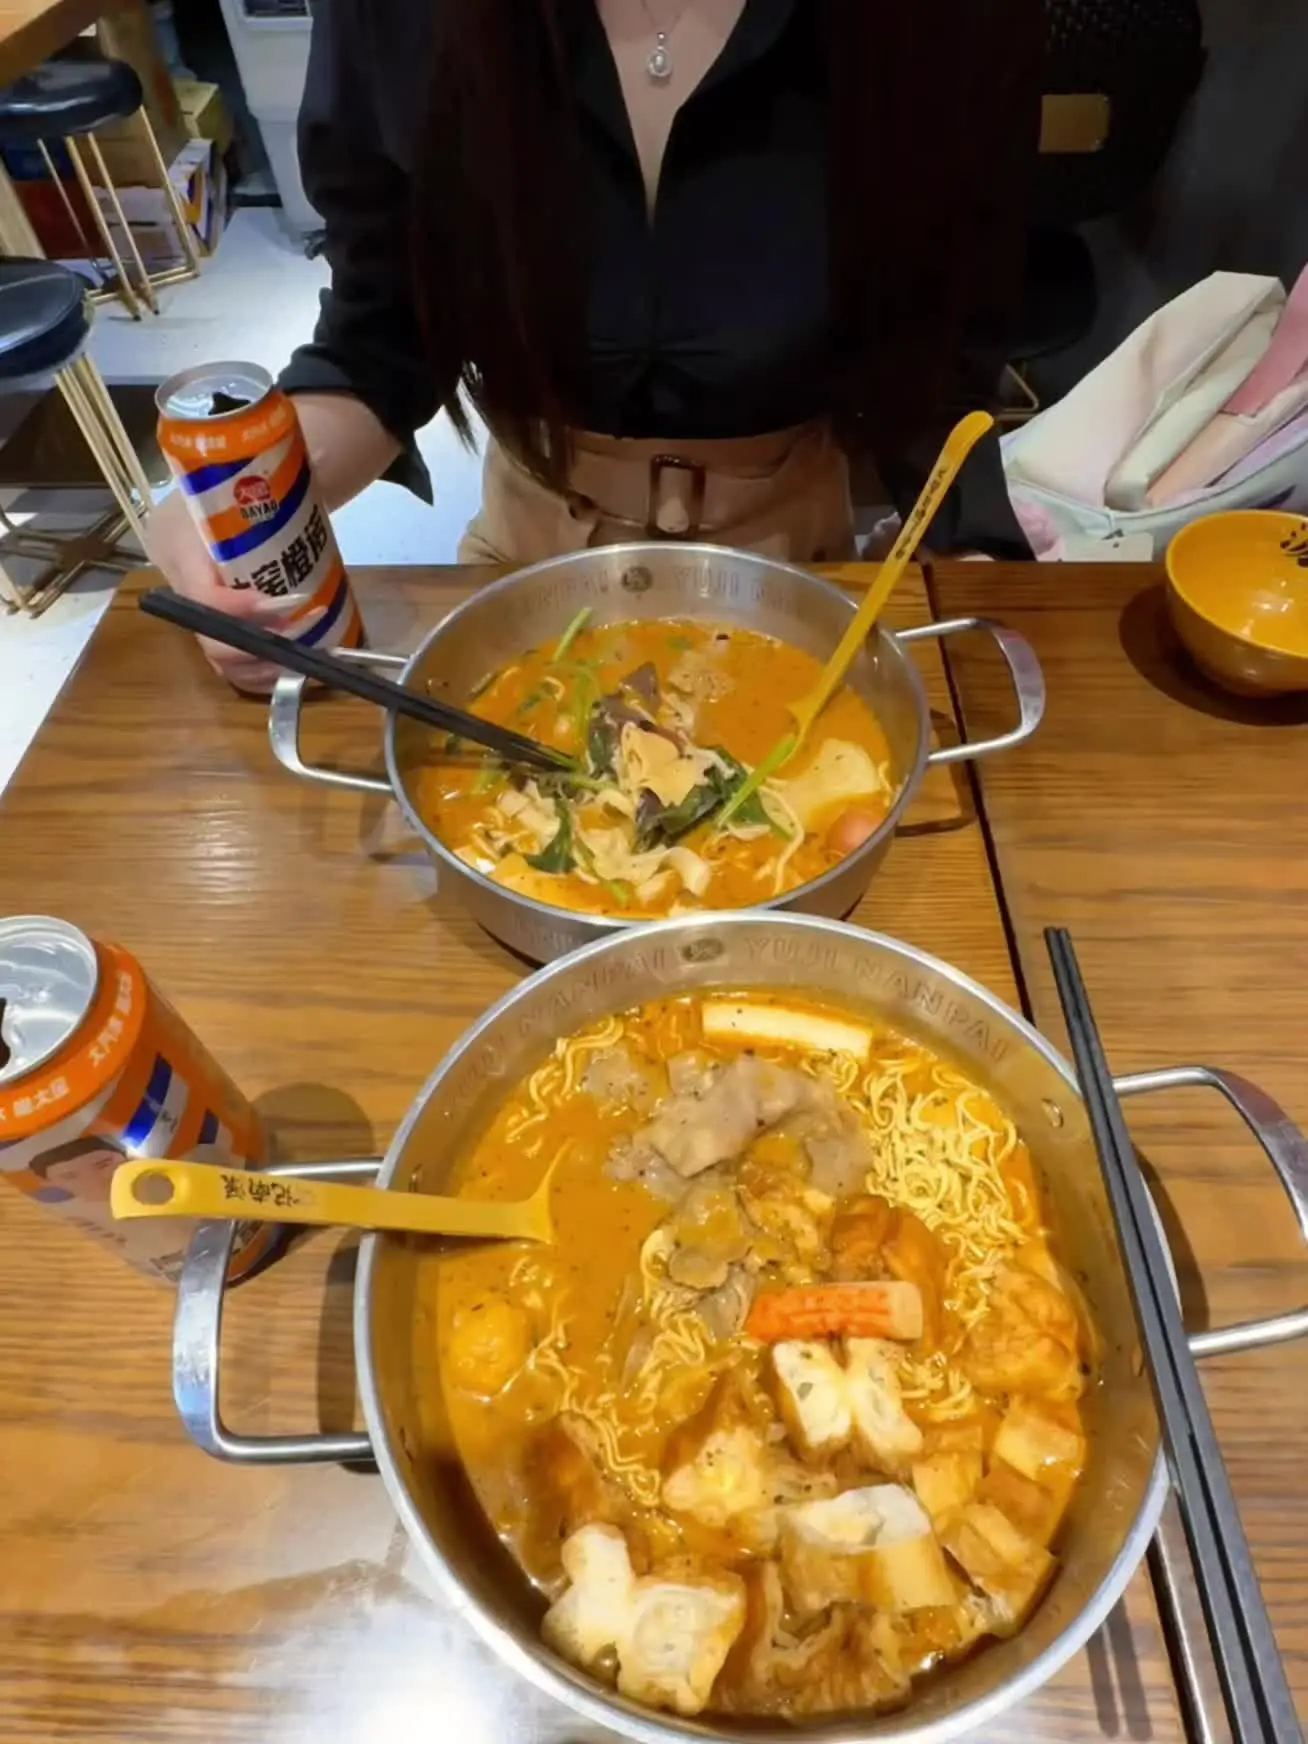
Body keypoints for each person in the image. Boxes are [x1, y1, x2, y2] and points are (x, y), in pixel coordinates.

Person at [147, 0, 1043, 689]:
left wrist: (972, 556)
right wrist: (229, 512)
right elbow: (384, 333)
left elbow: (945, 352)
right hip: (526, 585)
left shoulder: (947, 24)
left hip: (799, 587)